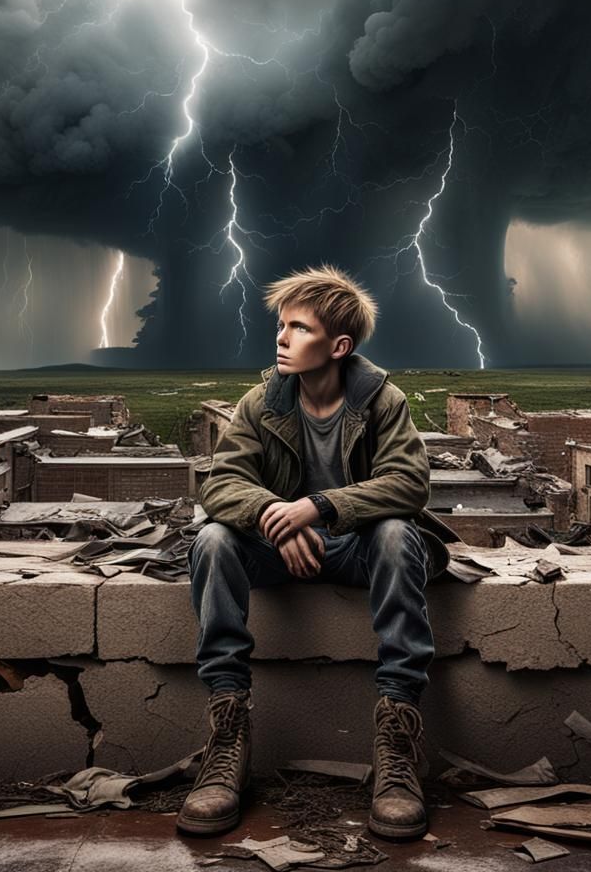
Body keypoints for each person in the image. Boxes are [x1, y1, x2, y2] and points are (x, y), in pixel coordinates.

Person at [176, 264, 451, 840]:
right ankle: (227, 736)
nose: (281, 338)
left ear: (339, 346)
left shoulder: (382, 401)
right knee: (213, 538)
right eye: (281, 325)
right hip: (281, 553)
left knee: (400, 533)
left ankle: (397, 744)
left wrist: (317, 507)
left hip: (354, 549)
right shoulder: (262, 402)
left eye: (299, 328)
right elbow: (221, 483)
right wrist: (273, 521)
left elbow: (408, 484)